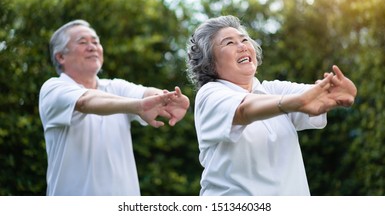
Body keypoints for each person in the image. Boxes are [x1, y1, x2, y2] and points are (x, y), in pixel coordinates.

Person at [186, 15, 357, 196]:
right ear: (210, 63)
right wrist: (295, 103)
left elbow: (315, 96)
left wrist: (334, 91)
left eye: (244, 39)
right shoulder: (210, 94)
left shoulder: (272, 89)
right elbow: (244, 110)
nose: (242, 46)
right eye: (229, 43)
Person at [39, 19, 190, 196]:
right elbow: (85, 101)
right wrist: (138, 106)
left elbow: (146, 94)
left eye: (95, 42)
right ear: (60, 57)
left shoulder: (116, 87)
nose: (92, 47)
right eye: (82, 42)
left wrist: (167, 98)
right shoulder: (53, 88)